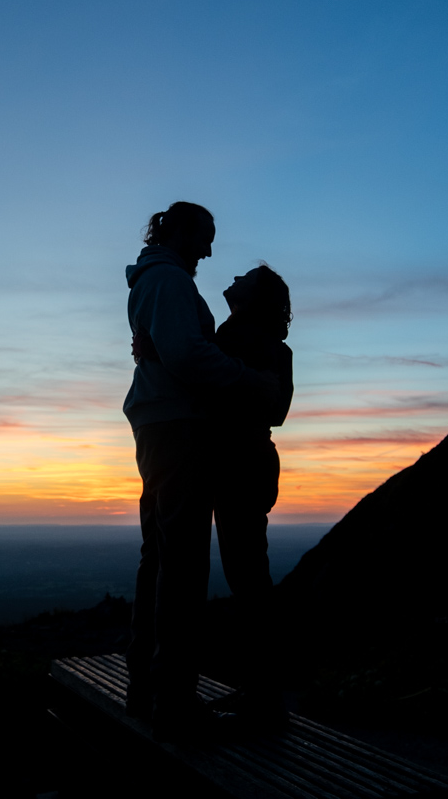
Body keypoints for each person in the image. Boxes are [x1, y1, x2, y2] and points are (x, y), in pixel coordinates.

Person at [122, 201, 273, 741]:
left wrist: (164, 353)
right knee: (182, 565)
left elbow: (175, 350)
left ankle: (147, 685)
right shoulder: (169, 282)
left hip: (160, 425)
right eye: (205, 236)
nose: (209, 250)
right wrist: (245, 380)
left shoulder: (157, 281)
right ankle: (175, 699)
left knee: (161, 558)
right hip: (178, 428)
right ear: (182, 231)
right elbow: (188, 355)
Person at [207, 264, 293, 731]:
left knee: (250, 583)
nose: (235, 275)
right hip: (249, 464)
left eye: (245, 277)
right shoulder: (253, 343)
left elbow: (275, 410)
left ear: (253, 297)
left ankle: (264, 699)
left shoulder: (247, 343)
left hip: (243, 465)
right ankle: (261, 691)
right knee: (249, 580)